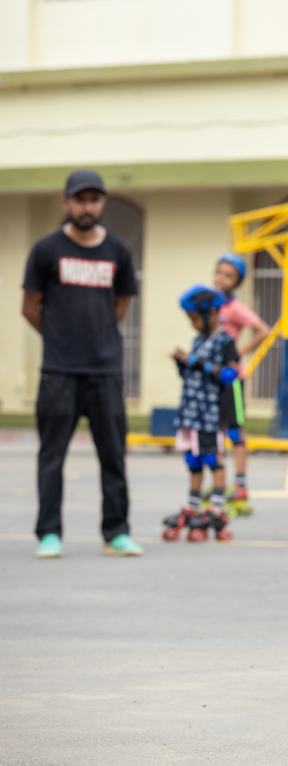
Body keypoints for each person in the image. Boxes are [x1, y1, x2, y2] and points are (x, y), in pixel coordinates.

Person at [21, 169, 143, 558]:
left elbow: (120, 306)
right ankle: (49, 534)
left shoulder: (119, 251)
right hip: (59, 371)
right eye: (79, 200)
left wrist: (97, 336)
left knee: (113, 455)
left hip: (105, 370)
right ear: (66, 203)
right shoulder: (46, 249)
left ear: (102, 203)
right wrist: (60, 338)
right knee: (52, 455)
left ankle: (116, 532)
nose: (86, 207)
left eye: (93, 199)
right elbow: (29, 307)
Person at [164, 286, 240, 543]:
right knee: (193, 460)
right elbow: (191, 375)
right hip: (190, 412)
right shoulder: (197, 340)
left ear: (212, 314)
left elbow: (229, 375)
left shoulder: (226, 341)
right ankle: (193, 506)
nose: (192, 324)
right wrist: (182, 363)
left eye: (195, 319)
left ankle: (217, 507)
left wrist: (198, 362)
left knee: (212, 458)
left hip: (210, 412)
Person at [212, 252, 270, 515]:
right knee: (216, 430)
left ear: (237, 281)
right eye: (219, 272)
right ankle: (219, 483)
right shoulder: (212, 304)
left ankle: (240, 483)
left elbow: (263, 330)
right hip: (214, 376)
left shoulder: (235, 307)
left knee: (235, 430)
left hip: (232, 378)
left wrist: (239, 353)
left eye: (228, 276)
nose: (221, 278)